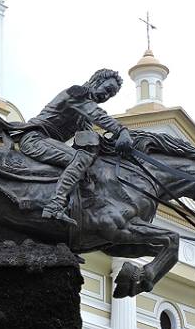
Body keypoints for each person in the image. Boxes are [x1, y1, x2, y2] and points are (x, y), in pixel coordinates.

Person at [17, 68, 133, 225]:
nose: (106, 96)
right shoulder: (77, 93)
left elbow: (89, 137)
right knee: (80, 159)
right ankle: (55, 205)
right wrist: (121, 130)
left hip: (47, 142)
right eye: (107, 90)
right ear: (96, 81)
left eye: (110, 95)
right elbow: (97, 115)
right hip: (34, 139)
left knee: (92, 163)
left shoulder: (84, 113)